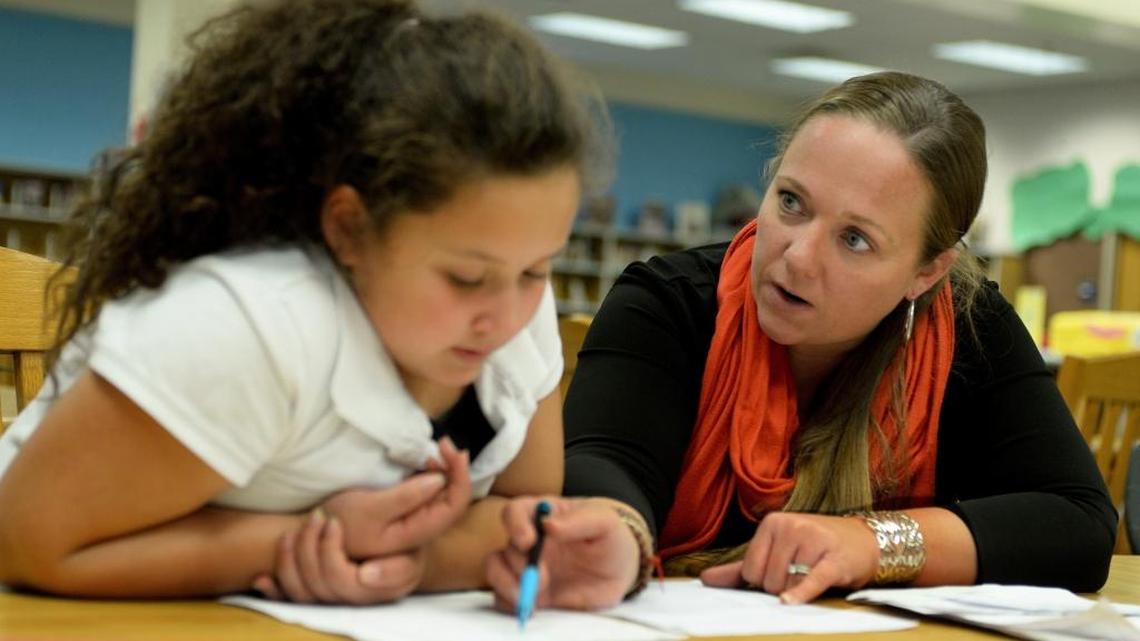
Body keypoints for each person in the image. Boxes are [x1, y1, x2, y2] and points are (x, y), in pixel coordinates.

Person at [0, 0, 606, 603]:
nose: (505, 318)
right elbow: (25, 541)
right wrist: (306, 543)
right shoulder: (245, 324)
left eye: (536, 269)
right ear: (347, 228)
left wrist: (405, 558)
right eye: (466, 278)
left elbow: (522, 522)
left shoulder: (517, 316)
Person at [486, 71, 1116, 613]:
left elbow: (1080, 525)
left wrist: (872, 544)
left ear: (927, 272)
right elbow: (608, 463)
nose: (797, 256)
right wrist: (615, 533)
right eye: (791, 202)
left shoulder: (969, 327)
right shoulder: (669, 301)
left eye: (855, 239)